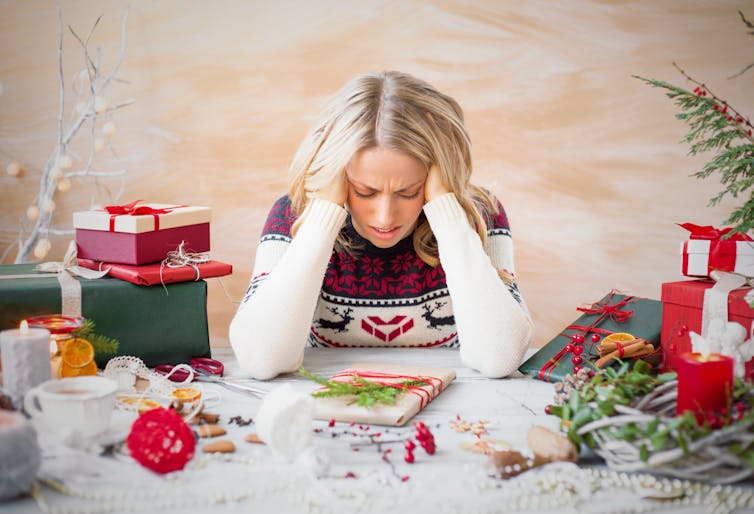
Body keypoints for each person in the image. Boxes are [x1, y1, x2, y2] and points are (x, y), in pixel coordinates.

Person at [229, 70, 534, 380]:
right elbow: (260, 358)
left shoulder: (480, 215)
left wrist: (447, 210)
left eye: (408, 192)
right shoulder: (293, 215)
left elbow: (500, 356)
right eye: (365, 192)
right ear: (338, 175)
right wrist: (323, 215)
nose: (385, 217)